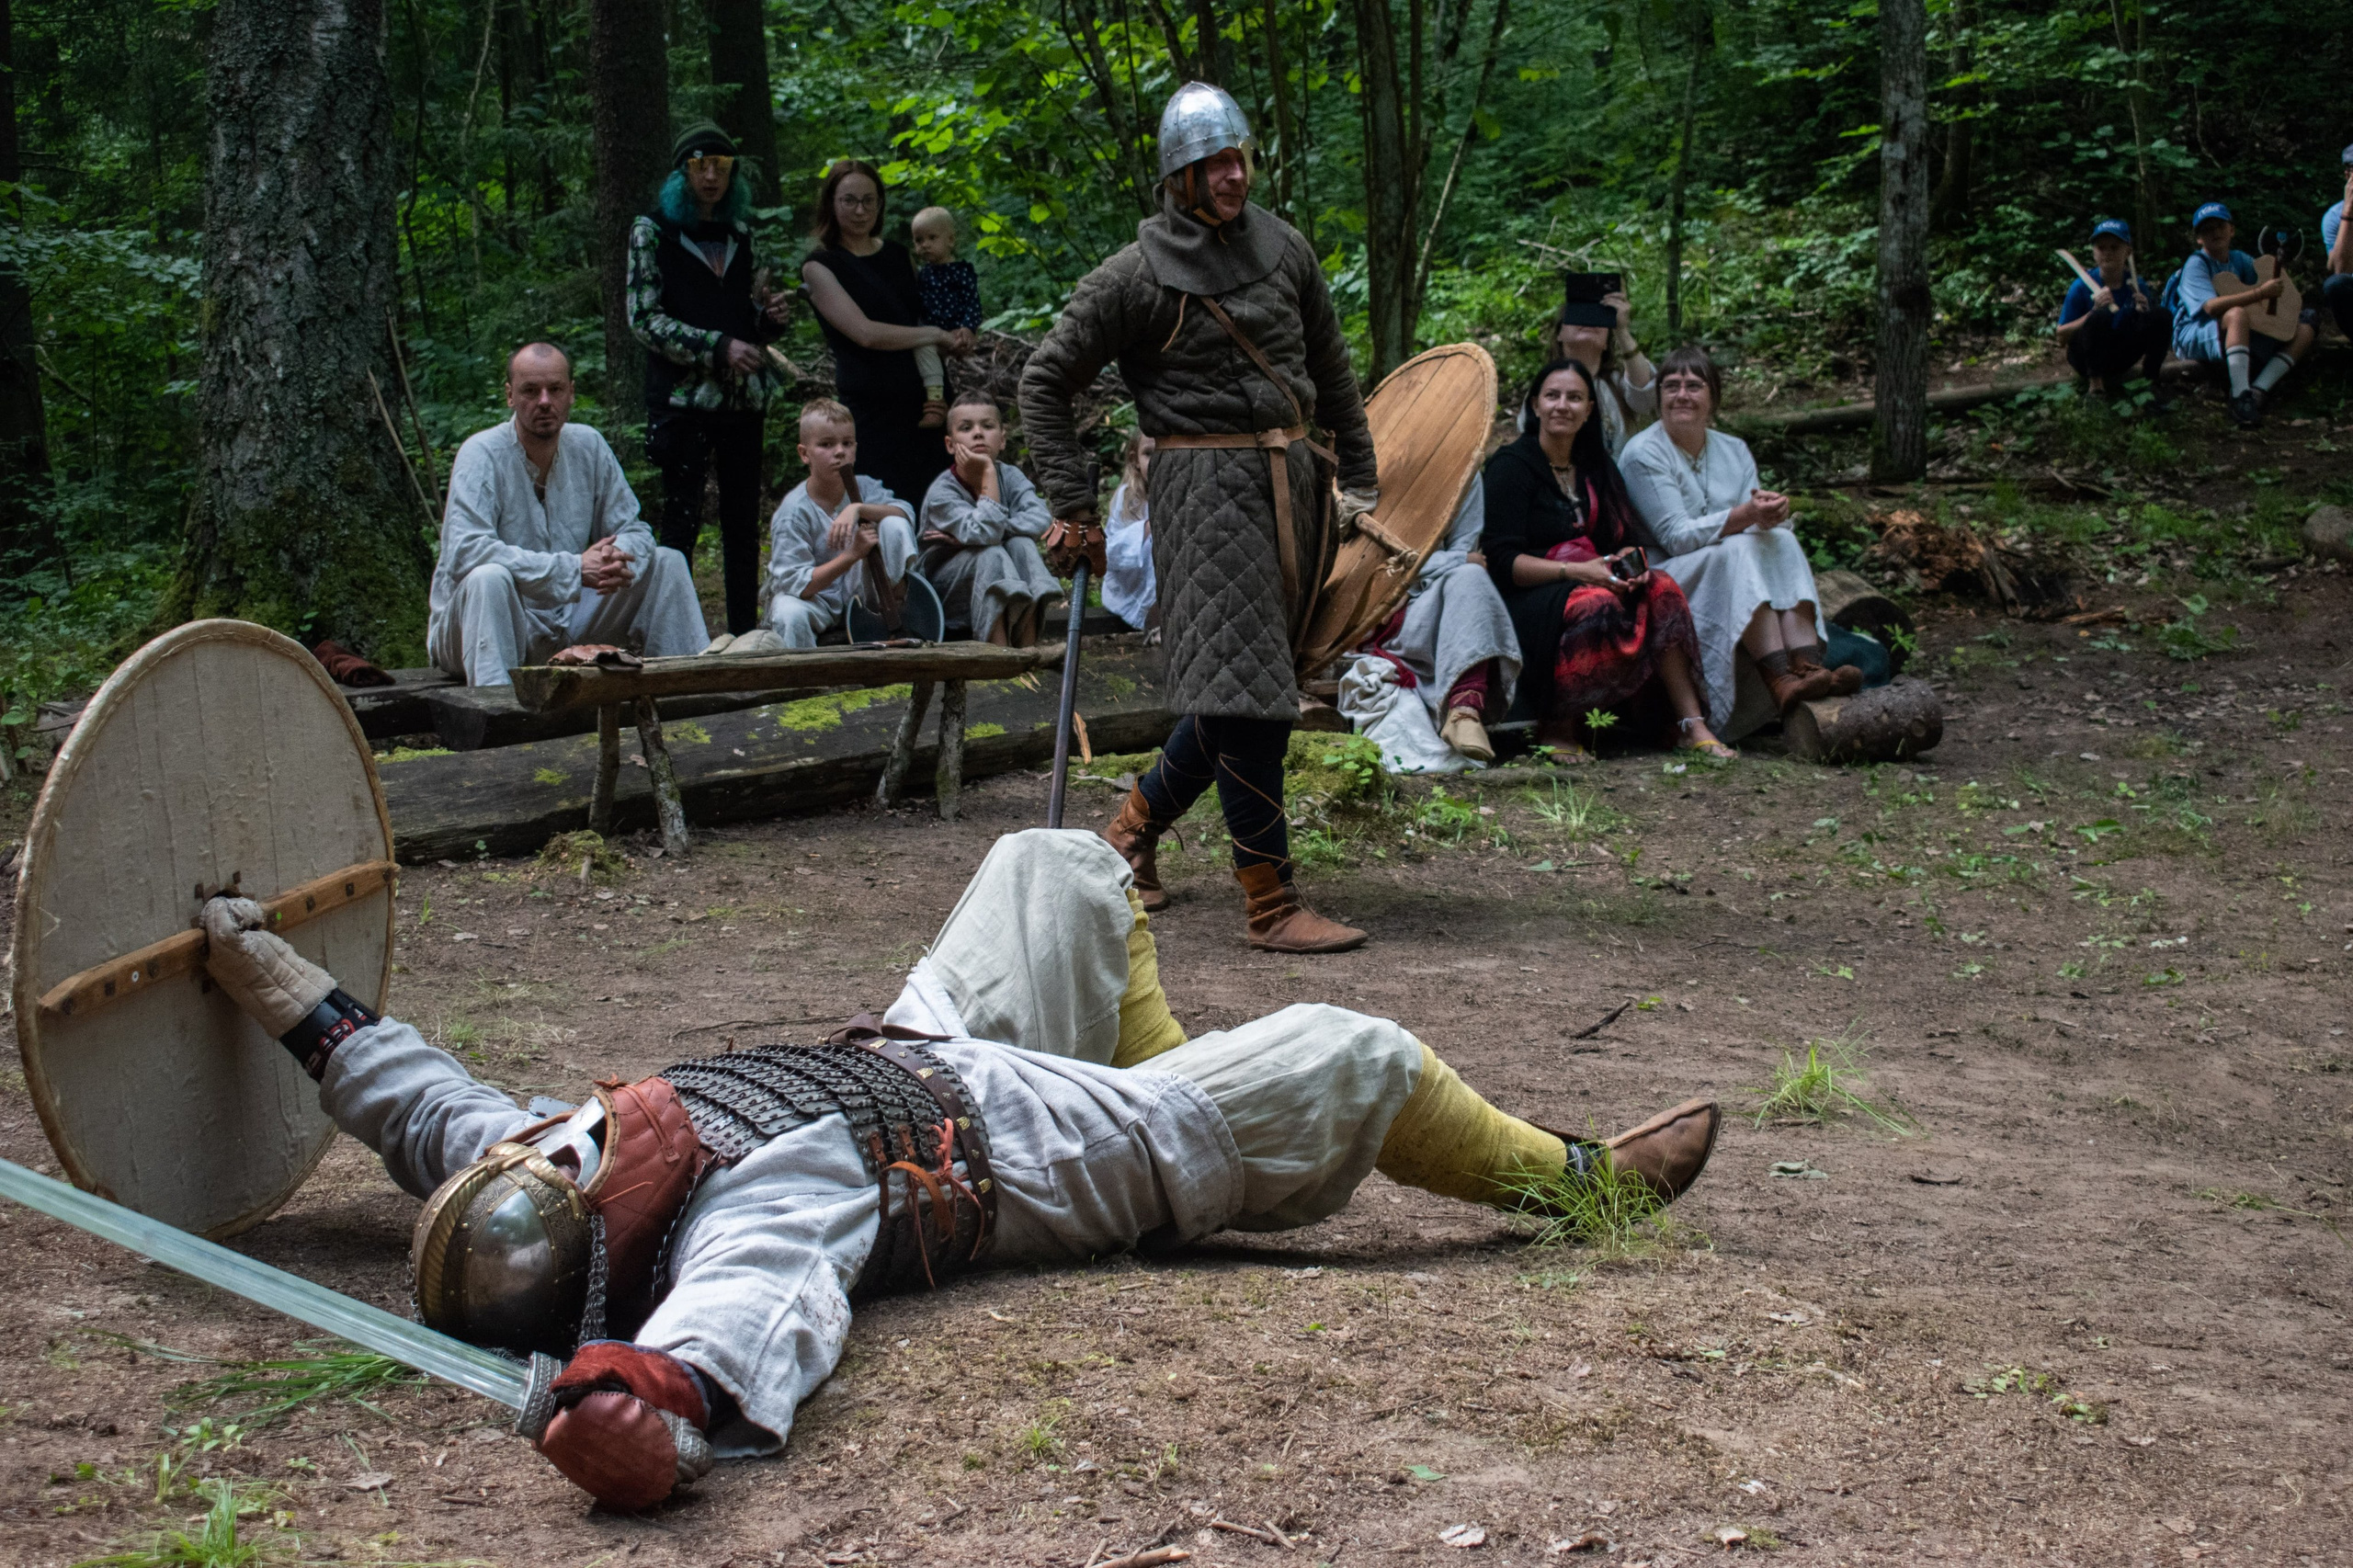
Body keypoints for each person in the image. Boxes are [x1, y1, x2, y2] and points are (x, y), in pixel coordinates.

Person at [192, 827, 1722, 1513]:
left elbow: (418, 1100)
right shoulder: (750, 1209)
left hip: (928, 1042)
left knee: (1052, 868)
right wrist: (654, 1412)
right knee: (1353, 1054)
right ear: (609, 1234)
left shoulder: (540, 1160)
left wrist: (268, 978)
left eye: (547, 1140)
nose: (571, 1124)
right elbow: (743, 1319)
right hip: (1066, 1148)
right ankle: (1579, 1182)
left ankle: (1168, 1051)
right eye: (572, 1157)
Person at [1020, 83, 1380, 954]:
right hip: (1205, 496)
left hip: (1294, 488)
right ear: (1179, 176)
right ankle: (1269, 901)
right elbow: (1044, 381)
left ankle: (1130, 832)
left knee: (1243, 685)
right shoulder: (1135, 275)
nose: (1233, 176)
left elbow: (1331, 369)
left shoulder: (1284, 247)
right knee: (1251, 699)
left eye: (1239, 158)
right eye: (1213, 164)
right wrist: (1074, 505)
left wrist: (1362, 477)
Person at [1483, 358, 1729, 762]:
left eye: (1574, 398)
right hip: (1530, 596)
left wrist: (1631, 564)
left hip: (1594, 576)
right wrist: (1577, 572)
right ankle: (1559, 728)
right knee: (1594, 603)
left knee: (1662, 588)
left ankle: (1691, 724)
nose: (1563, 406)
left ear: (1589, 410)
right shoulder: (1511, 467)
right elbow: (1501, 562)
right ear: (1536, 405)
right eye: (1552, 396)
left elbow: (1624, 539)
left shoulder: (1595, 465)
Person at [427, 344, 707, 687]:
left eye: (556, 389)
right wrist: (573, 570)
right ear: (510, 395)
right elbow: (466, 552)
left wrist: (614, 559)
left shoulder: (588, 445)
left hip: (567, 621)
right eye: (531, 391)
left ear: (571, 393)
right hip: (482, 631)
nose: (545, 401)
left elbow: (633, 530)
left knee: (667, 561)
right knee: (489, 578)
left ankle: (690, 690)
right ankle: (497, 709)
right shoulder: (481, 454)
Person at [1620, 346, 1859, 734]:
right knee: (1735, 551)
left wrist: (1769, 515)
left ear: (1712, 397)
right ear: (1658, 396)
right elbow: (1676, 537)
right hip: (1665, 574)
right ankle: (1779, 676)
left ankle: (1807, 667)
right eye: (1671, 386)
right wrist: (1745, 516)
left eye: (1693, 386)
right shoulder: (1642, 454)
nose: (1682, 395)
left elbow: (1751, 524)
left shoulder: (1733, 449)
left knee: (1781, 541)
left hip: (1729, 562)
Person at [626, 123, 792, 641]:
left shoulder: (739, 232)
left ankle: (745, 636)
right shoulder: (652, 231)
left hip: (742, 403)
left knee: (743, 524)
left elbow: (742, 316)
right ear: (683, 173)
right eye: (701, 165)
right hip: (683, 402)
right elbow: (644, 319)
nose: (713, 176)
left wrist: (767, 321)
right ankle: (672, 639)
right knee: (680, 524)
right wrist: (718, 347)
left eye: (722, 165)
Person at [802, 161, 972, 506]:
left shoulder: (898, 254)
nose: (860, 210)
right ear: (831, 203)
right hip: (872, 412)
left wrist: (957, 335)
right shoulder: (819, 266)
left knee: (945, 508)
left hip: (928, 403)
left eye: (869, 200)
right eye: (849, 200)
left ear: (880, 204)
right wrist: (934, 334)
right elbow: (865, 333)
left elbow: (923, 316)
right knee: (890, 514)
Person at [1347, 483, 1522, 766]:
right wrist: (1453, 561)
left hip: (1427, 597)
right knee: (1466, 567)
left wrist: (1432, 570)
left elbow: (1465, 554)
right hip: (1367, 609)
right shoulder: (1356, 466)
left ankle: (1465, 712)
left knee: (1471, 576)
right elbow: (1349, 554)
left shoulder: (1466, 468)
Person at [758, 400, 919, 649]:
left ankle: (898, 607)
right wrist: (852, 554)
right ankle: (804, 673)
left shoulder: (865, 487)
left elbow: (905, 513)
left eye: (847, 443)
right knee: (790, 614)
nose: (840, 452)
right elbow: (798, 585)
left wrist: (858, 508)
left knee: (893, 523)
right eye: (826, 444)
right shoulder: (793, 512)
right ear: (804, 454)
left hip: (864, 597)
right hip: (815, 600)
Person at [917, 393, 1061, 646]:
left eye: (987, 426)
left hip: (998, 578)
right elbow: (988, 534)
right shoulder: (942, 493)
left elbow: (1040, 519)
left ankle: (1029, 652)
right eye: (966, 428)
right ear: (950, 444)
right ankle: (999, 653)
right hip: (946, 595)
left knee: (1022, 545)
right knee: (990, 553)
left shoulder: (1010, 475)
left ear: (1002, 439)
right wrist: (987, 473)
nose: (978, 434)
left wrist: (985, 534)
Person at [2170, 200, 2314, 427]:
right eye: (2207, 230)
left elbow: (2270, 285)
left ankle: (2259, 390)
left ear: (2231, 230)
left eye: (2220, 226)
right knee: (2236, 314)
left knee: (2305, 325)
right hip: (2196, 332)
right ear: (2199, 238)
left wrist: (2278, 271)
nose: (2215, 233)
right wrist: (2260, 293)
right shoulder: (2197, 264)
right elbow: (2210, 308)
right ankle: (2240, 397)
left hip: (2238, 331)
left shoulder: (2239, 259)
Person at [1528, 272, 1657, 458]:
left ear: (1606, 343)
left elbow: (1647, 398)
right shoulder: (1545, 388)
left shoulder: (1617, 384)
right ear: (1560, 334)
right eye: (1579, 314)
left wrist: (1621, 330)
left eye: (1597, 317)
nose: (1588, 321)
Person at [2055, 219, 2168, 396]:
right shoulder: (2081, 286)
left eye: (2114, 248)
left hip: (2120, 356)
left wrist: (2144, 312)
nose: (2107, 253)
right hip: (2086, 359)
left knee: (2161, 315)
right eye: (2101, 248)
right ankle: (2096, 388)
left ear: (2127, 252)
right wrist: (2092, 312)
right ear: (2094, 253)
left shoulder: (2136, 284)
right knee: (2100, 316)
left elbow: (2151, 327)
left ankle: (2151, 380)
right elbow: (2061, 337)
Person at [910, 207, 983, 429]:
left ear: (950, 240)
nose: (925, 245)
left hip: (957, 332)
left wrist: (968, 328)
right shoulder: (922, 275)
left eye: (932, 238)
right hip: (933, 335)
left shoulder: (961, 272)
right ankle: (935, 402)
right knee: (922, 349)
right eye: (919, 240)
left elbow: (973, 303)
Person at [1100, 432, 1159, 635]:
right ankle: (1152, 615)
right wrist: (1147, 528)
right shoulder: (1129, 498)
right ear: (1135, 460)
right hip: (1130, 586)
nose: (1157, 462)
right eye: (1149, 454)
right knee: (1156, 541)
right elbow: (1111, 553)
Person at [2320, 145, 2353, 338]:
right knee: (2335, 285)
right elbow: (2341, 271)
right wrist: (2348, 212)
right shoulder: (2334, 217)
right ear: (2347, 175)